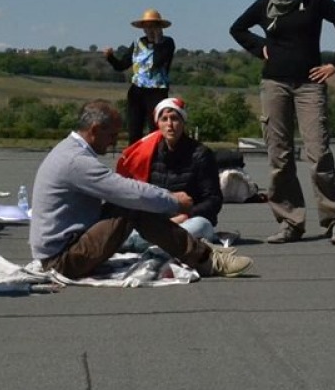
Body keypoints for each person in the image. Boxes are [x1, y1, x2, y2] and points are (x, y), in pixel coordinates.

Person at [29, 99, 252, 280]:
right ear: (95, 130)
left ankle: (201, 252)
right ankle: (205, 259)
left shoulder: (69, 151)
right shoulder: (76, 161)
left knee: (136, 204)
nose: (113, 143)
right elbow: (129, 191)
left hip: (64, 247)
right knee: (133, 206)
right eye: (112, 135)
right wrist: (174, 201)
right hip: (62, 259)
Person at [230, 0, 335, 245]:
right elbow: (237, 29)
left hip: (309, 85)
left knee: (318, 154)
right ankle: (290, 222)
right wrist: (259, 47)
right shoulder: (263, 5)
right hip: (274, 84)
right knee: (279, 156)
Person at [115, 97, 223, 250]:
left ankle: (141, 245)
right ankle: (152, 246)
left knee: (200, 226)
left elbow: (213, 200)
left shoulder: (201, 154)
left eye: (174, 118)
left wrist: (186, 215)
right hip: (155, 220)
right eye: (164, 119)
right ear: (158, 123)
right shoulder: (149, 154)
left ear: (183, 122)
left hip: (188, 219)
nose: (169, 124)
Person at [104, 9, 175, 144]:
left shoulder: (167, 43)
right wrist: (110, 57)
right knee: (134, 130)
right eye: (147, 26)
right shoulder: (138, 43)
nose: (150, 30)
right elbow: (122, 65)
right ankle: (134, 154)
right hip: (137, 91)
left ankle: (156, 155)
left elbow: (157, 62)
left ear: (159, 27)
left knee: (155, 129)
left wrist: (157, 41)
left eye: (153, 26)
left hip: (157, 91)